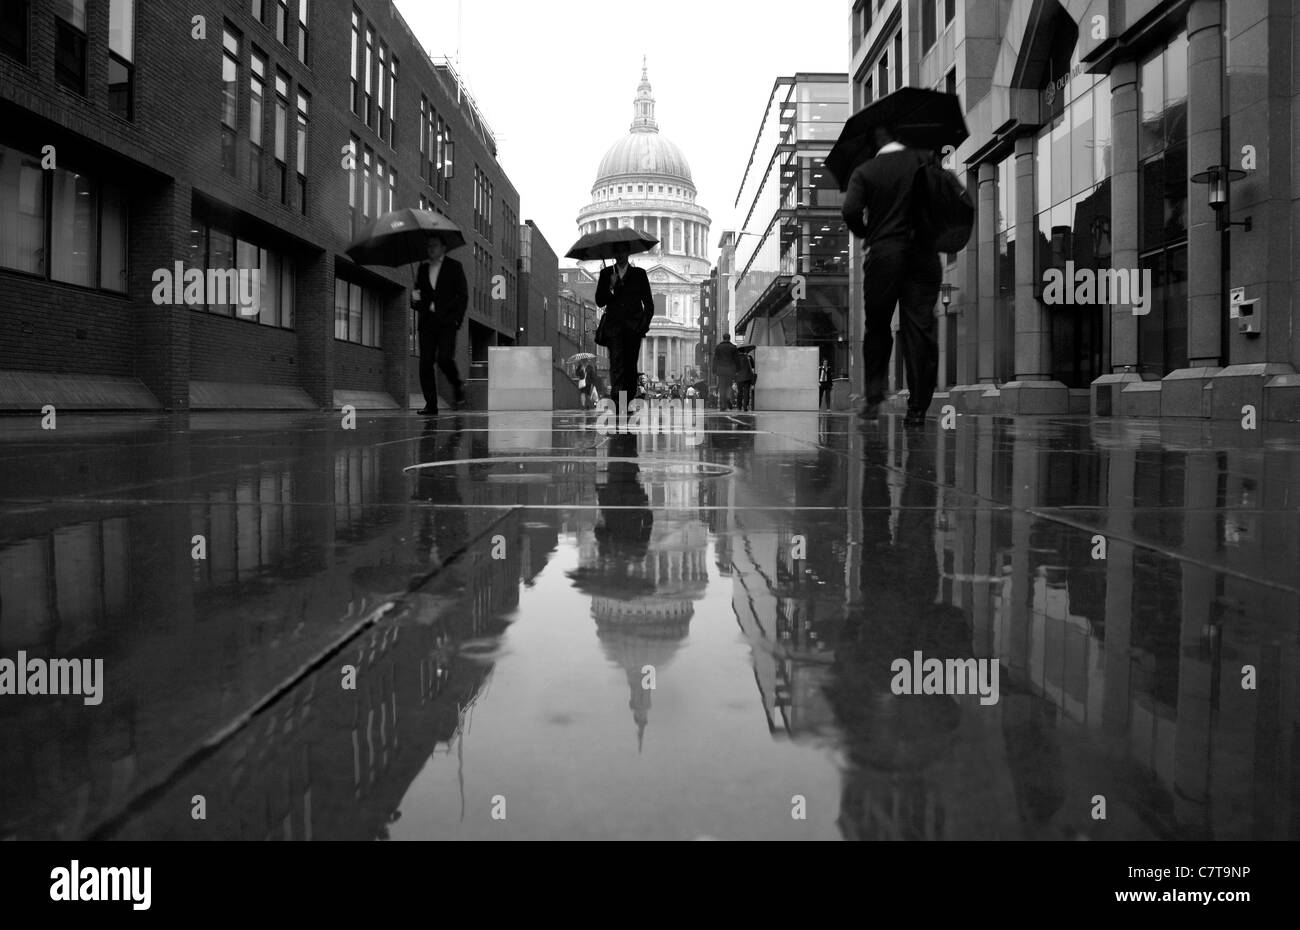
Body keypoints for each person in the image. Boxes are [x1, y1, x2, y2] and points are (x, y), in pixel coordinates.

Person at [842, 124, 942, 428]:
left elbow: (850, 211)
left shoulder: (865, 171)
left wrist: (869, 232)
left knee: (877, 327)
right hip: (923, 254)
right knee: (919, 329)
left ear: (876, 142)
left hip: (884, 255)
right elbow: (940, 198)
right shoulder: (924, 160)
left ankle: (874, 395)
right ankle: (918, 408)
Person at [411, 236, 468, 416]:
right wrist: (415, 299)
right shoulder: (422, 268)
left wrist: (457, 319)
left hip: (447, 323)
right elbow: (417, 298)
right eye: (429, 246)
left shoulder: (454, 267)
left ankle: (457, 384)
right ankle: (431, 405)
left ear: (444, 247)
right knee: (425, 364)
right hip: (427, 322)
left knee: (444, 359)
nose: (431, 249)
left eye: (434, 245)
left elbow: (463, 295)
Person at [595, 244, 655, 412]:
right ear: (614, 254)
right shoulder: (606, 274)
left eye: (623, 251)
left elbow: (649, 304)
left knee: (630, 367)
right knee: (616, 366)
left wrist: (642, 327)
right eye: (617, 251)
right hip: (614, 329)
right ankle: (618, 403)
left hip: (633, 329)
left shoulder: (639, 274)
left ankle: (627, 401)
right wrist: (611, 287)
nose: (620, 254)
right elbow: (600, 300)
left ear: (628, 253)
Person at [713, 333, 740, 410]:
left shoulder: (718, 347)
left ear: (723, 338)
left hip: (721, 370)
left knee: (722, 387)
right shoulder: (733, 347)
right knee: (729, 386)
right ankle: (728, 397)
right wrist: (737, 370)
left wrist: (714, 371)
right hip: (730, 370)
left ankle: (723, 405)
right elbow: (737, 360)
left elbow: (715, 360)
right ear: (729, 338)